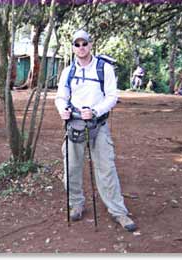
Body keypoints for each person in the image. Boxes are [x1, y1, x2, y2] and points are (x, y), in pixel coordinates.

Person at [55, 29, 137, 232]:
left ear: (91, 45)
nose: (81, 48)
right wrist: (62, 110)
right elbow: (60, 97)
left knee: (106, 169)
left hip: (98, 125)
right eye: (77, 44)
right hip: (74, 124)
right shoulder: (68, 71)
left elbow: (112, 97)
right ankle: (76, 203)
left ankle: (119, 212)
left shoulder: (104, 68)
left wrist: (95, 111)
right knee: (71, 168)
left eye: (85, 44)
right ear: (73, 47)